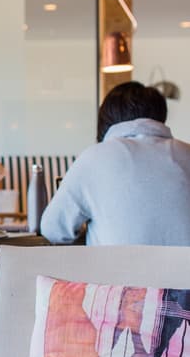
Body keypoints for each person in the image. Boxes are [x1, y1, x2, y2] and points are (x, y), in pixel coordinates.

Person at [41, 81, 190, 246]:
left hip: (115, 270)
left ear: (106, 119)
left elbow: (53, 229)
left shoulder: (95, 157)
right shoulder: (187, 152)